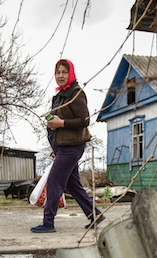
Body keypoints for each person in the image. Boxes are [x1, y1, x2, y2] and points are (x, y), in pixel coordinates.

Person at [31, 59, 104, 233]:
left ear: (71, 73)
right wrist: (55, 146)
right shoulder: (58, 97)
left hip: (72, 147)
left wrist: (61, 123)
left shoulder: (76, 94)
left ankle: (48, 222)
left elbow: (85, 120)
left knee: (55, 181)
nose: (61, 76)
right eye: (58, 72)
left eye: (64, 72)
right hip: (62, 147)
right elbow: (55, 124)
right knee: (73, 185)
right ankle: (95, 215)